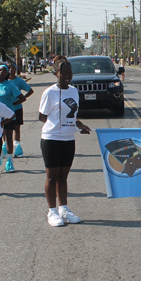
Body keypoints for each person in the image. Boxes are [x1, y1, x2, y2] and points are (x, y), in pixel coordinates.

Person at [39, 55, 91, 227]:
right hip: (51, 139)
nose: (67, 77)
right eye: (64, 74)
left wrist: (79, 125)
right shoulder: (49, 92)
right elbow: (42, 117)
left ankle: (64, 209)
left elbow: (74, 116)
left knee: (63, 177)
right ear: (56, 73)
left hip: (69, 139)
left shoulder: (74, 91)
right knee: (52, 177)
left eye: (70, 73)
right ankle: (52, 211)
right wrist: (58, 125)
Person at [0, 65, 26, 172]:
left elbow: (22, 97)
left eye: (4, 71)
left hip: (8, 115)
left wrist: (12, 104)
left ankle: (10, 161)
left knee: (8, 138)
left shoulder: (9, 85)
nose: (1, 72)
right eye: (0, 70)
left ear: (7, 74)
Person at [8, 64, 34, 157]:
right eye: (9, 69)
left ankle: (17, 147)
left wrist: (22, 98)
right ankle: (5, 147)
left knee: (16, 128)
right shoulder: (4, 81)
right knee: (5, 129)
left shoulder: (19, 81)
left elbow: (30, 90)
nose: (11, 70)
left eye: (13, 69)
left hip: (17, 108)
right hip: (6, 109)